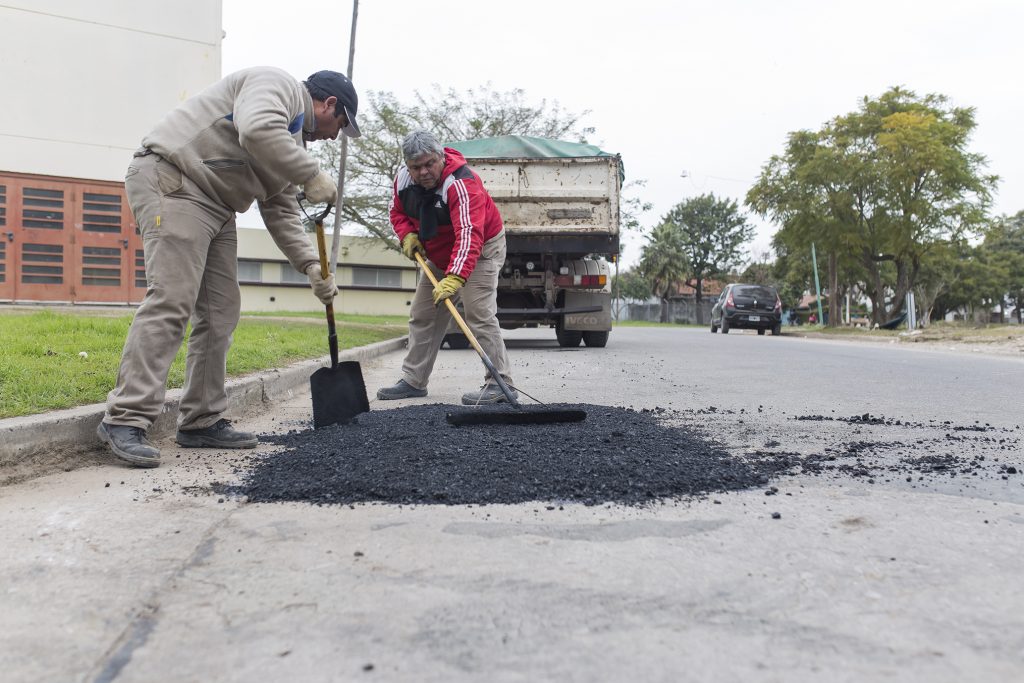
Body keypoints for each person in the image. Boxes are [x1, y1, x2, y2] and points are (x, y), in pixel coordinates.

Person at [97, 67, 361, 468]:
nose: (332, 135)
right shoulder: (278, 85)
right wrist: (310, 173)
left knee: (221, 312)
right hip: (177, 179)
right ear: (329, 104)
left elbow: (282, 210)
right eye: (338, 125)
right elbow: (255, 129)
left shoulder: (290, 145)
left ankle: (200, 420)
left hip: (218, 207)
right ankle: (124, 419)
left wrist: (311, 266)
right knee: (172, 300)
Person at [376, 130, 515, 405]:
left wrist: (455, 278)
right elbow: (397, 212)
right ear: (407, 166)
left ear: (441, 157)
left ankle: (500, 383)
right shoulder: (403, 180)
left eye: (430, 163)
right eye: (417, 167)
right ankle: (413, 381)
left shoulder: (462, 183)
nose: (424, 172)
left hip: (480, 249)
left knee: (478, 312)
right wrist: (407, 236)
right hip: (439, 253)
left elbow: (469, 233)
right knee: (422, 314)